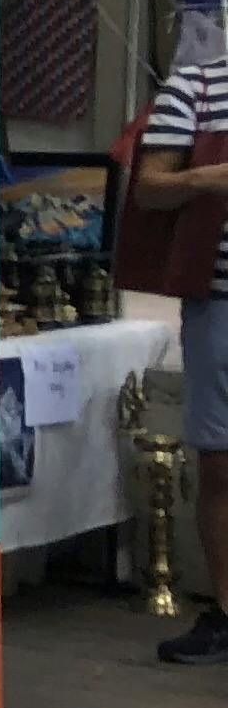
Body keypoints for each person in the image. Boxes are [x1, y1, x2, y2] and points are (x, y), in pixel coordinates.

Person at [128, 43, 228, 664]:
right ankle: (224, 612)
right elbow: (149, 190)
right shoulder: (195, 84)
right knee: (221, 464)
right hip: (220, 302)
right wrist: (205, 178)